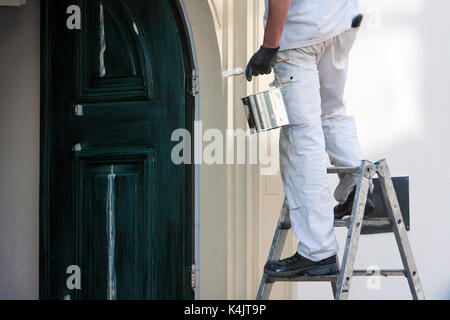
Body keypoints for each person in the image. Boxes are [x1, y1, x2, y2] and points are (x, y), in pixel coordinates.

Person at [246, 0, 374, 277]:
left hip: (301, 33)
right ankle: (357, 190)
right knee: (332, 110)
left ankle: (317, 251)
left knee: (301, 137)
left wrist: (269, 47)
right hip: (340, 21)